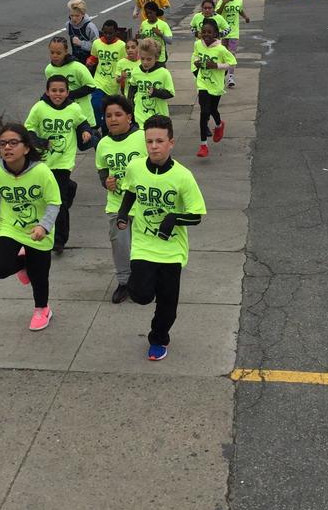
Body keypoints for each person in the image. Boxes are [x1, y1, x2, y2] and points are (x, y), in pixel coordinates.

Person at [116, 115, 206, 361]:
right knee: (141, 295)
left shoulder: (183, 176)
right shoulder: (135, 167)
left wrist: (173, 219)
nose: (154, 146)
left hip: (172, 249)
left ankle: (158, 339)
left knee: (168, 306)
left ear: (171, 143)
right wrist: (123, 214)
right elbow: (131, 191)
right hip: (144, 244)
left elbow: (196, 215)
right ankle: (149, 282)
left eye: (159, 141)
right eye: (149, 141)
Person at [0, 120, 61, 331]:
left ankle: (42, 309)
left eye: (13, 143)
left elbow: (54, 202)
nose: (7, 147)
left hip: (40, 231)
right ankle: (22, 263)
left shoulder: (41, 172)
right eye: (3, 143)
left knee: (39, 275)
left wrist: (44, 226)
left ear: (26, 147)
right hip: (11, 227)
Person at [25, 76, 93, 254]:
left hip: (63, 162)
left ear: (67, 92)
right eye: (54, 90)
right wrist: (40, 142)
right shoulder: (40, 108)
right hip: (43, 161)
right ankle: (71, 187)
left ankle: (59, 240)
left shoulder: (73, 108)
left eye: (61, 91)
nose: (58, 94)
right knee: (43, 198)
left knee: (59, 201)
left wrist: (85, 131)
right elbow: (29, 129)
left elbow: (82, 122)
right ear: (47, 91)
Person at [95, 95, 146, 304]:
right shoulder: (103, 144)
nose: (113, 119)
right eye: (108, 115)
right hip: (117, 205)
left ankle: (145, 279)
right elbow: (102, 174)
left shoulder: (143, 138)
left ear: (130, 117)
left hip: (143, 204)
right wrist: (107, 183)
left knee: (143, 245)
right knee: (121, 245)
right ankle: (124, 282)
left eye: (118, 114)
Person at [192, 18, 236, 158]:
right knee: (204, 112)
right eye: (203, 32)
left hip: (216, 84)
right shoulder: (198, 44)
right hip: (202, 82)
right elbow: (195, 57)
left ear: (216, 33)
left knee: (212, 109)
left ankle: (219, 124)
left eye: (209, 32)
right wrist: (196, 64)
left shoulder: (221, 49)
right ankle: (203, 145)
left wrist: (216, 66)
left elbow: (232, 63)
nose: (205, 35)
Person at [45, 35, 96, 129]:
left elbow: (91, 86)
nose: (55, 56)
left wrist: (68, 95)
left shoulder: (77, 67)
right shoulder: (49, 70)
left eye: (58, 53)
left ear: (66, 51)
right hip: (64, 119)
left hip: (83, 115)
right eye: (52, 52)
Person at [127, 38, 175, 126]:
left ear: (156, 58)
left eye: (149, 59)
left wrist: (156, 92)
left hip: (159, 117)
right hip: (140, 116)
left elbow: (171, 93)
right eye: (142, 59)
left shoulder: (164, 73)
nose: (145, 62)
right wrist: (129, 110)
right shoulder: (136, 72)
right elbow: (131, 91)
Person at [89, 20, 127, 129]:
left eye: (110, 33)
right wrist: (90, 62)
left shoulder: (121, 46)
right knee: (95, 104)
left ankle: (105, 131)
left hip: (113, 84)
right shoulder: (97, 43)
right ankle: (95, 127)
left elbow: (125, 64)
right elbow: (94, 57)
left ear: (116, 32)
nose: (107, 36)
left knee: (108, 111)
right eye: (105, 33)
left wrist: (123, 84)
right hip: (99, 80)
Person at [216, 0, 250, 88]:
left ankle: (231, 77)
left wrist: (245, 17)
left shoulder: (239, 1)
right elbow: (217, 14)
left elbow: (240, 10)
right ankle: (223, 74)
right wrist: (223, 3)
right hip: (224, 32)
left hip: (234, 32)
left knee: (231, 54)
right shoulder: (221, 1)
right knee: (223, 54)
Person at [67, 0, 99, 65]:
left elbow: (97, 47)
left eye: (77, 16)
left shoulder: (90, 27)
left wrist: (81, 43)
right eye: (71, 15)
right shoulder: (68, 25)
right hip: (76, 59)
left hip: (89, 61)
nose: (74, 19)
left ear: (83, 14)